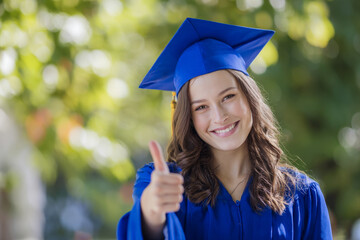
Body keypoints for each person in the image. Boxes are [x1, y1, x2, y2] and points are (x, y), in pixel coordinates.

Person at [117, 18, 333, 240]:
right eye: (201, 107)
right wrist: (152, 212)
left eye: (228, 96)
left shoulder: (301, 196)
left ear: (250, 98)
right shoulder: (163, 183)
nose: (219, 117)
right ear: (188, 118)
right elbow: (145, 228)